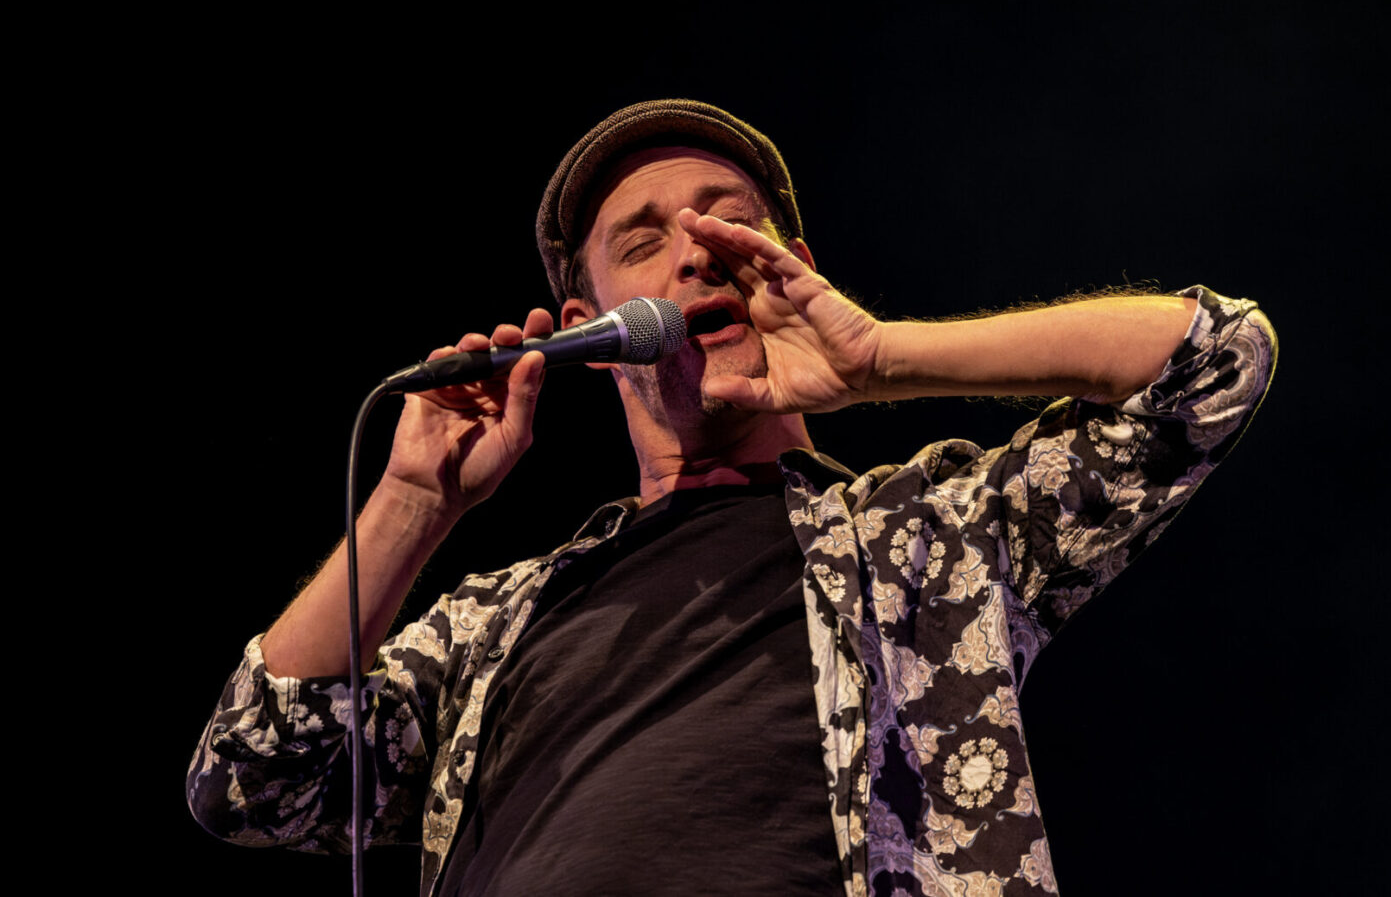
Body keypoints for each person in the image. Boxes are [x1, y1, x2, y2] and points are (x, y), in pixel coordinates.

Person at [187, 100, 1276, 896]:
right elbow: (251, 774)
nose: (692, 257)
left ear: (789, 264)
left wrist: (880, 359)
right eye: (641, 241)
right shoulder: (499, 622)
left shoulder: (923, 535)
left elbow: (1214, 359)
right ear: (589, 325)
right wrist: (413, 500)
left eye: (724, 224)